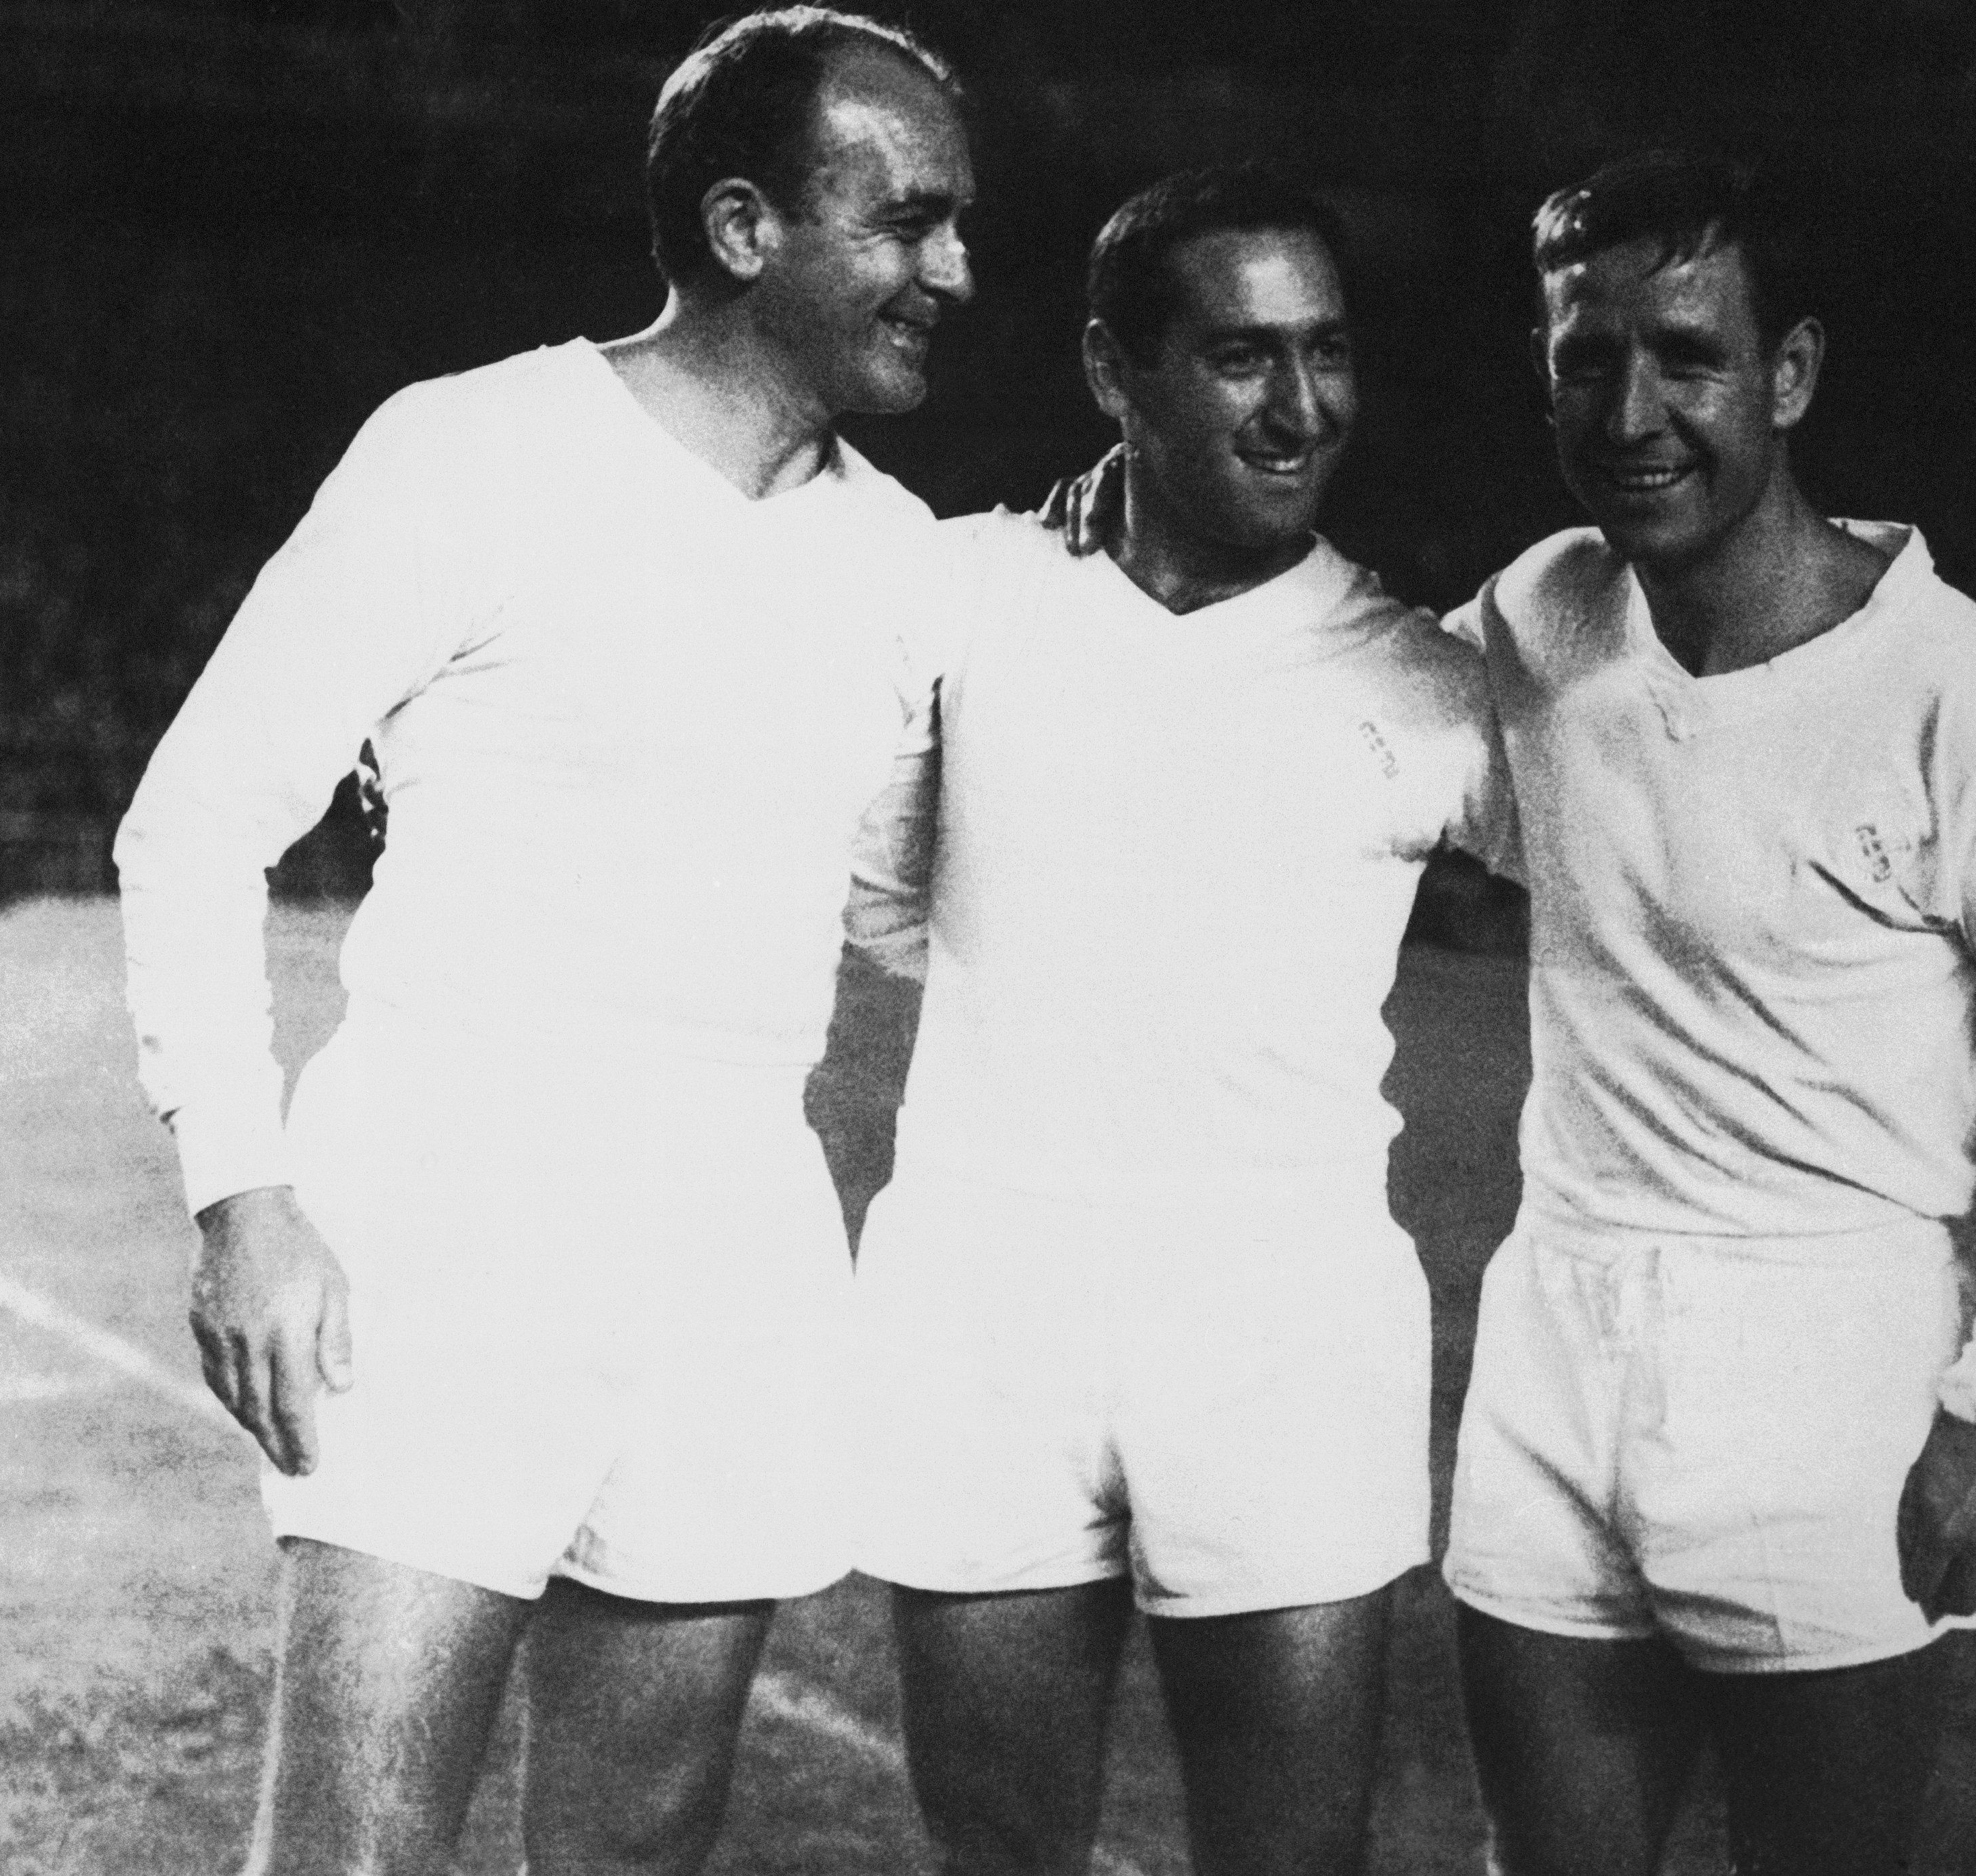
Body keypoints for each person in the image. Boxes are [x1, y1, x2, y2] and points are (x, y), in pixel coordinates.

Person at [112, 11, 974, 1872]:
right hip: (449, 1214)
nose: (951, 269)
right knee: (353, 1851)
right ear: (746, 227)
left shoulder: (906, 559)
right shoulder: (469, 449)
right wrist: (242, 1199)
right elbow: (190, 822)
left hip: (739, 1246)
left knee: (633, 1858)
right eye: (905, 221)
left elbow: (907, 913)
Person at [1439, 149, 1976, 1875]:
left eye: (1686, 357)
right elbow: (1330, 717)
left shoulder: (1960, 686)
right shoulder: (1541, 619)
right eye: (1583, 360)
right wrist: (1127, 516)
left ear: (1790, 373)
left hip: (1834, 1363)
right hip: (1553, 1347)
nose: (1632, 411)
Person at [845, 164, 1517, 1876]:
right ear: (1110, 371)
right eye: (1238, 357)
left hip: (1281, 1329)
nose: (1301, 408)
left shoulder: (1431, 685)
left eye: (1328, 353)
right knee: (996, 1848)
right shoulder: (963, 592)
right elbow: (877, 900)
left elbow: (1659, 871)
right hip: (987, 1305)